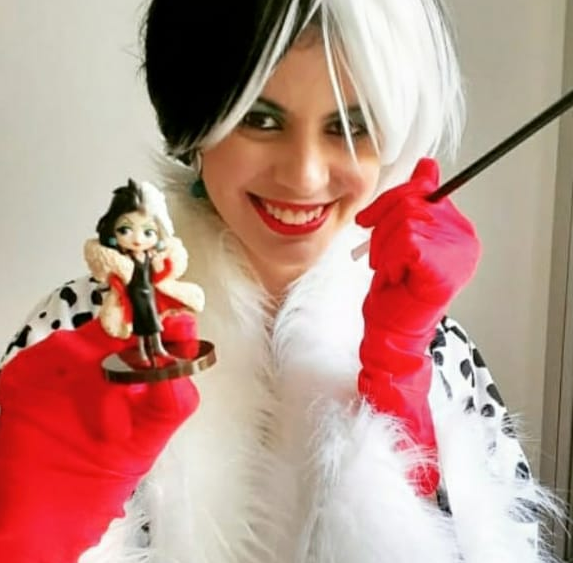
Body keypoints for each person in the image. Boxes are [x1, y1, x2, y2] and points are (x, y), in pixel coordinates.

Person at [0, 1, 562, 562]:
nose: (304, 176)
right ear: (197, 124)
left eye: (351, 127)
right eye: (260, 120)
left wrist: (399, 395)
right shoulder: (83, 328)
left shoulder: (438, 354)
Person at [84, 178, 205, 366]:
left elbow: (161, 274)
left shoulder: (152, 256)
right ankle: (142, 352)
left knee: (154, 323)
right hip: (134, 296)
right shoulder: (123, 261)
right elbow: (117, 279)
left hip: (150, 294)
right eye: (125, 230)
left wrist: (164, 267)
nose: (138, 239)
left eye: (148, 232)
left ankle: (158, 348)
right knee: (139, 327)